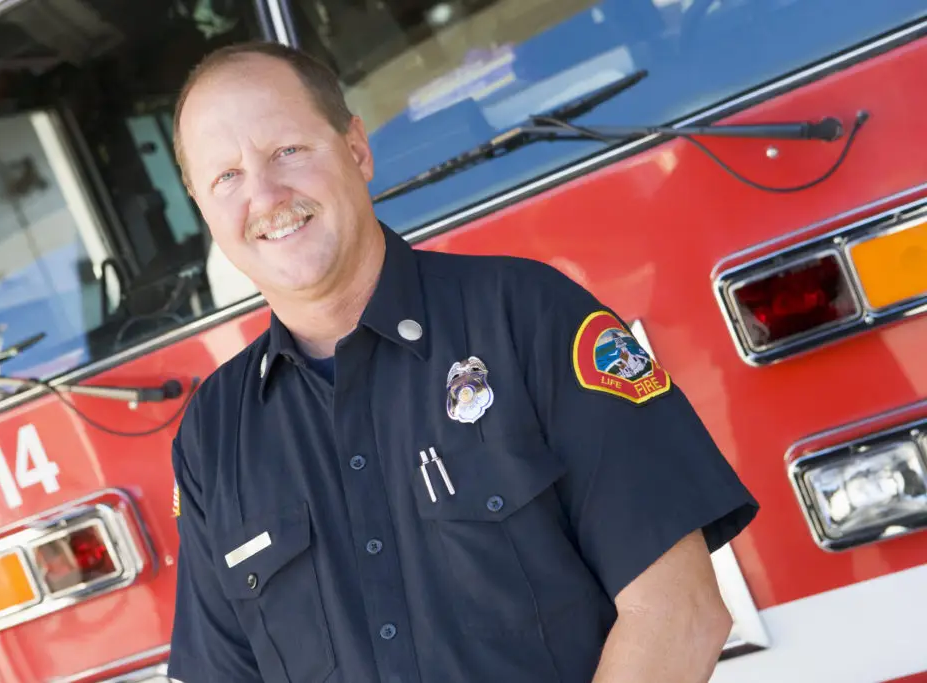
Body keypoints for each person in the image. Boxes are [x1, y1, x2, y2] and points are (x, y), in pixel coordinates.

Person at [166, 40, 759, 683]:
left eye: (288, 150)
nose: (266, 195)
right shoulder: (212, 436)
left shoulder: (527, 316)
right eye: (226, 176)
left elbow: (679, 612)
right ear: (203, 208)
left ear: (356, 149)